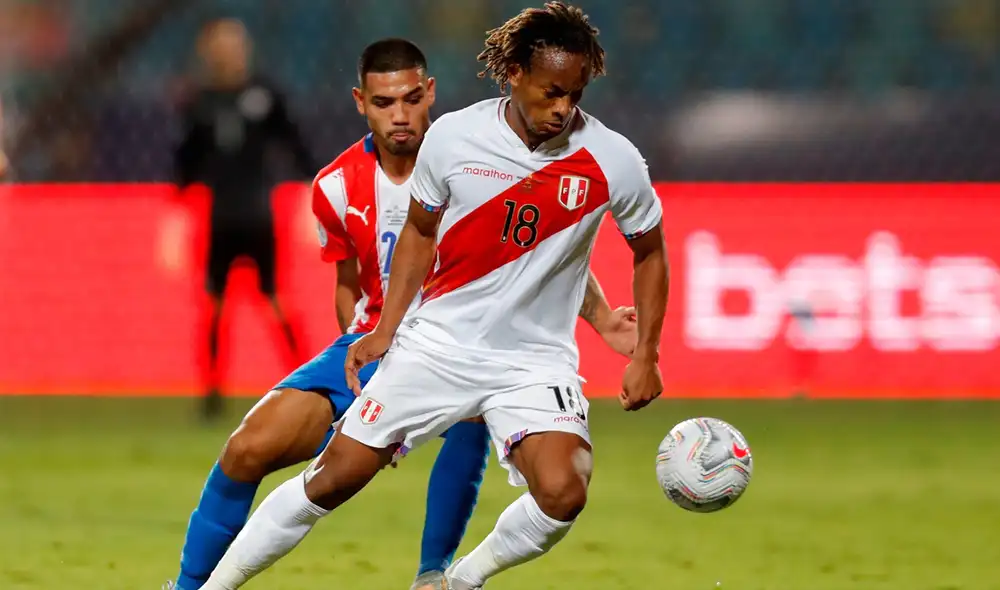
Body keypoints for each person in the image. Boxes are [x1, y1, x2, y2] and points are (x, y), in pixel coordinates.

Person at [197, 3, 669, 586]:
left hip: (534, 361)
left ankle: (458, 580)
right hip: (438, 346)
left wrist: (646, 353)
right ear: (515, 73)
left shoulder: (613, 159)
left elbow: (650, 252)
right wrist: (385, 329)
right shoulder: (456, 137)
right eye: (551, 92)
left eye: (575, 93)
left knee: (564, 491)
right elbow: (420, 235)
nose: (563, 107)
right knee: (332, 478)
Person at [172, 17, 315, 418]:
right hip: (220, 216)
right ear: (208, 51)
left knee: (275, 299)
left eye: (234, 43)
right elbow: (186, 162)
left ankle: (307, 382)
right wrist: (176, 217)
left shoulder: (265, 94)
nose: (228, 52)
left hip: (258, 214)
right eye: (220, 44)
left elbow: (296, 146)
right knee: (214, 303)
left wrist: (309, 194)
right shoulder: (200, 101)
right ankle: (212, 393)